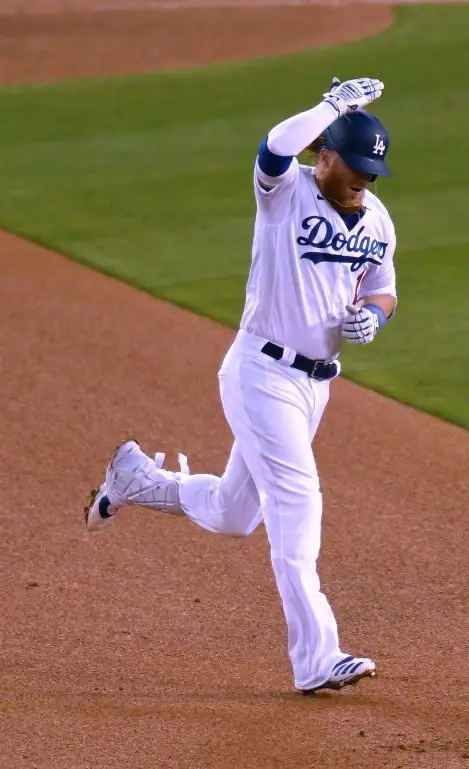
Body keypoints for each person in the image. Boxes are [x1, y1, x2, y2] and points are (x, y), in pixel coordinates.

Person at [84, 75, 398, 694]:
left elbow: (384, 287)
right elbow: (274, 147)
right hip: (261, 374)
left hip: (314, 389)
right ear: (324, 157)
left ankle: (136, 480)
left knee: (234, 514)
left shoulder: (377, 218)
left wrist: (375, 316)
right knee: (298, 501)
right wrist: (330, 108)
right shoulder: (285, 193)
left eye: (374, 171)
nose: (366, 180)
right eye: (355, 166)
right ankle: (315, 658)